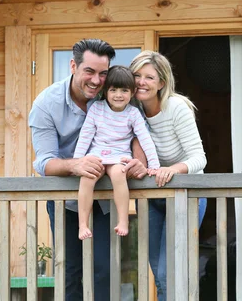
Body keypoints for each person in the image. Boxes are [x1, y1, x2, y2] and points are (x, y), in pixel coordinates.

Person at [29, 38, 146, 300]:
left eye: (102, 73)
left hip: (105, 197)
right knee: (70, 271)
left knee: (104, 269)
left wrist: (140, 161)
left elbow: (138, 132)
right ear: (73, 66)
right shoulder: (46, 105)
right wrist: (75, 164)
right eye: (89, 72)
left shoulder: (116, 95)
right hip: (66, 200)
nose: (96, 80)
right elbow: (44, 162)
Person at [126, 50, 208, 301]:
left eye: (149, 77)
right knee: (159, 274)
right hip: (153, 197)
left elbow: (199, 157)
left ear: (162, 82)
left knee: (167, 273)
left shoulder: (176, 107)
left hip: (185, 195)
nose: (142, 82)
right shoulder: (131, 110)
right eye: (137, 75)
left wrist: (172, 169)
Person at [74, 65, 160, 239]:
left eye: (124, 90)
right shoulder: (97, 109)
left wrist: (155, 165)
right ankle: (83, 224)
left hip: (118, 157)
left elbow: (145, 140)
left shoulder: (133, 113)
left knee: (120, 174)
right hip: (96, 155)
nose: (118, 95)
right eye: (113, 90)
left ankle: (123, 220)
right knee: (87, 178)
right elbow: (85, 136)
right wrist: (77, 162)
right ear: (106, 91)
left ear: (133, 92)